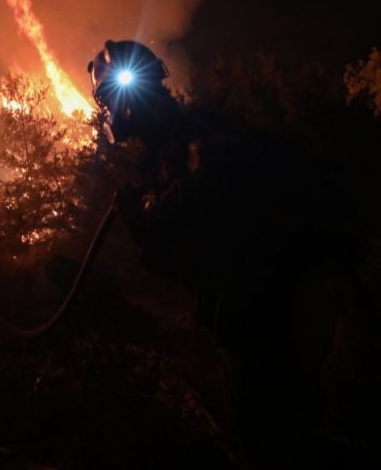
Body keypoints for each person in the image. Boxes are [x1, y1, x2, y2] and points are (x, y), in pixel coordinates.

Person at [88, 40, 367, 464]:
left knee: (272, 439)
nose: (109, 113)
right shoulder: (168, 154)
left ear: (126, 99)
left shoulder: (196, 142)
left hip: (275, 308)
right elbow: (171, 259)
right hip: (264, 309)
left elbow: (209, 215)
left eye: (109, 100)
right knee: (273, 432)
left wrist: (148, 210)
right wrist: (144, 215)